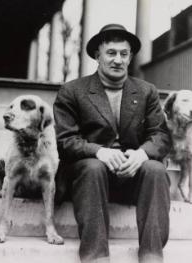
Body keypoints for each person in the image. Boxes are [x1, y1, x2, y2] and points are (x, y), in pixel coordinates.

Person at [53, 23, 171, 263]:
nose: (118, 60)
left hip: (131, 174)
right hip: (89, 179)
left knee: (156, 169)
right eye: (111, 53)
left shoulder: (146, 91)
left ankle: (151, 255)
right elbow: (64, 141)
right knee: (92, 167)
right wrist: (98, 152)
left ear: (130, 58)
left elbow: (161, 135)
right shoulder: (72, 91)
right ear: (98, 55)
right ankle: (96, 257)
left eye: (123, 54)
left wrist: (143, 154)